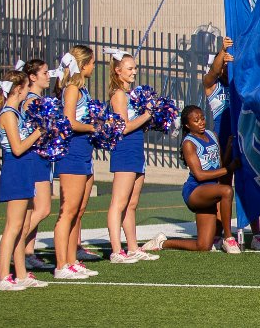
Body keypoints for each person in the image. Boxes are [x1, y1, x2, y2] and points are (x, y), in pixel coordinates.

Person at [141, 106, 240, 255]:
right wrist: (229, 169)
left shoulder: (212, 135)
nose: (201, 122)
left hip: (210, 192)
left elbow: (218, 166)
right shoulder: (189, 143)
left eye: (202, 118)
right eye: (196, 120)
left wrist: (228, 149)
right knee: (226, 190)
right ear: (187, 125)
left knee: (203, 246)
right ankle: (228, 237)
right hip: (195, 191)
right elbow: (199, 175)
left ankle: (162, 242)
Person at [203, 36, 260, 251]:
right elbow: (211, 74)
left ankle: (256, 233)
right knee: (224, 186)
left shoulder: (243, 89)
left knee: (249, 185)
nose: (228, 68)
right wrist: (222, 51)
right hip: (223, 142)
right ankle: (223, 233)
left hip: (245, 139)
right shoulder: (213, 87)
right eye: (225, 66)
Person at [105, 50, 162, 263]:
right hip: (125, 149)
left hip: (136, 149)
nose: (134, 72)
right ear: (118, 71)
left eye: (135, 68)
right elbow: (123, 127)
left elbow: (134, 125)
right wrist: (146, 115)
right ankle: (116, 250)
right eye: (130, 69)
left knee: (132, 202)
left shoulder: (130, 95)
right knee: (118, 202)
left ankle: (132, 247)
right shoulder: (118, 94)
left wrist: (149, 119)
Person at [0, 71, 47, 291]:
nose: (28, 92)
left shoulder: (18, 112)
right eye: (26, 88)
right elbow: (17, 148)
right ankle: (4, 277)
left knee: (23, 226)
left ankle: (21, 274)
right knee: (13, 227)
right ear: (18, 89)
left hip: (25, 170)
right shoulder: (8, 114)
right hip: (15, 171)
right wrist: (37, 133)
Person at [53, 46, 100, 280]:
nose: (94, 67)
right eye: (92, 63)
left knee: (78, 210)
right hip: (72, 152)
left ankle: (72, 260)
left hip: (84, 152)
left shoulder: (82, 89)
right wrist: (93, 127)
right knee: (68, 211)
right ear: (83, 66)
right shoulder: (72, 89)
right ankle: (62, 265)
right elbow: (69, 122)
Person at [17, 59, 57, 271]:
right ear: (32, 77)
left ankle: (28, 252)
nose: (48, 75)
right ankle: (14, 246)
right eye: (43, 72)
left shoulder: (38, 99)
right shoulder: (31, 101)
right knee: (42, 209)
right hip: (34, 157)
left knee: (34, 209)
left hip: (42, 157)